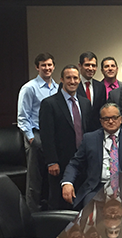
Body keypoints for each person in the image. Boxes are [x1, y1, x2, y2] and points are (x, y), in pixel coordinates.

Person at [61, 103, 122, 209]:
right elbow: (74, 164)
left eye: (114, 118)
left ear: (120, 119)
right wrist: (67, 182)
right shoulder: (89, 138)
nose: (111, 121)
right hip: (96, 187)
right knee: (88, 209)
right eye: (106, 118)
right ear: (101, 121)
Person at [39, 65, 92, 209]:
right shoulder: (49, 104)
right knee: (60, 200)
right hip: (60, 162)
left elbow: (89, 131)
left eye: (75, 78)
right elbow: (46, 134)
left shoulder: (85, 103)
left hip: (82, 160)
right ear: (61, 79)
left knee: (80, 198)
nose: (72, 81)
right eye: (68, 78)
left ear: (79, 80)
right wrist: (51, 161)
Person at [17, 52, 59, 212]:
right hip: (36, 136)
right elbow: (22, 117)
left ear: (54, 66)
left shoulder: (57, 88)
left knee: (52, 174)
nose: (47, 68)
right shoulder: (29, 88)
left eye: (49, 65)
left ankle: (50, 209)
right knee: (36, 178)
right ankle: (32, 212)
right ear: (37, 67)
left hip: (53, 137)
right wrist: (31, 138)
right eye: (43, 65)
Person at [77, 51, 107, 131]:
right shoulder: (72, 85)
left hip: (96, 131)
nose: (90, 68)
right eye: (87, 65)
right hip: (77, 130)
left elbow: (102, 111)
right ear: (80, 66)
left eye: (93, 65)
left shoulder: (101, 86)